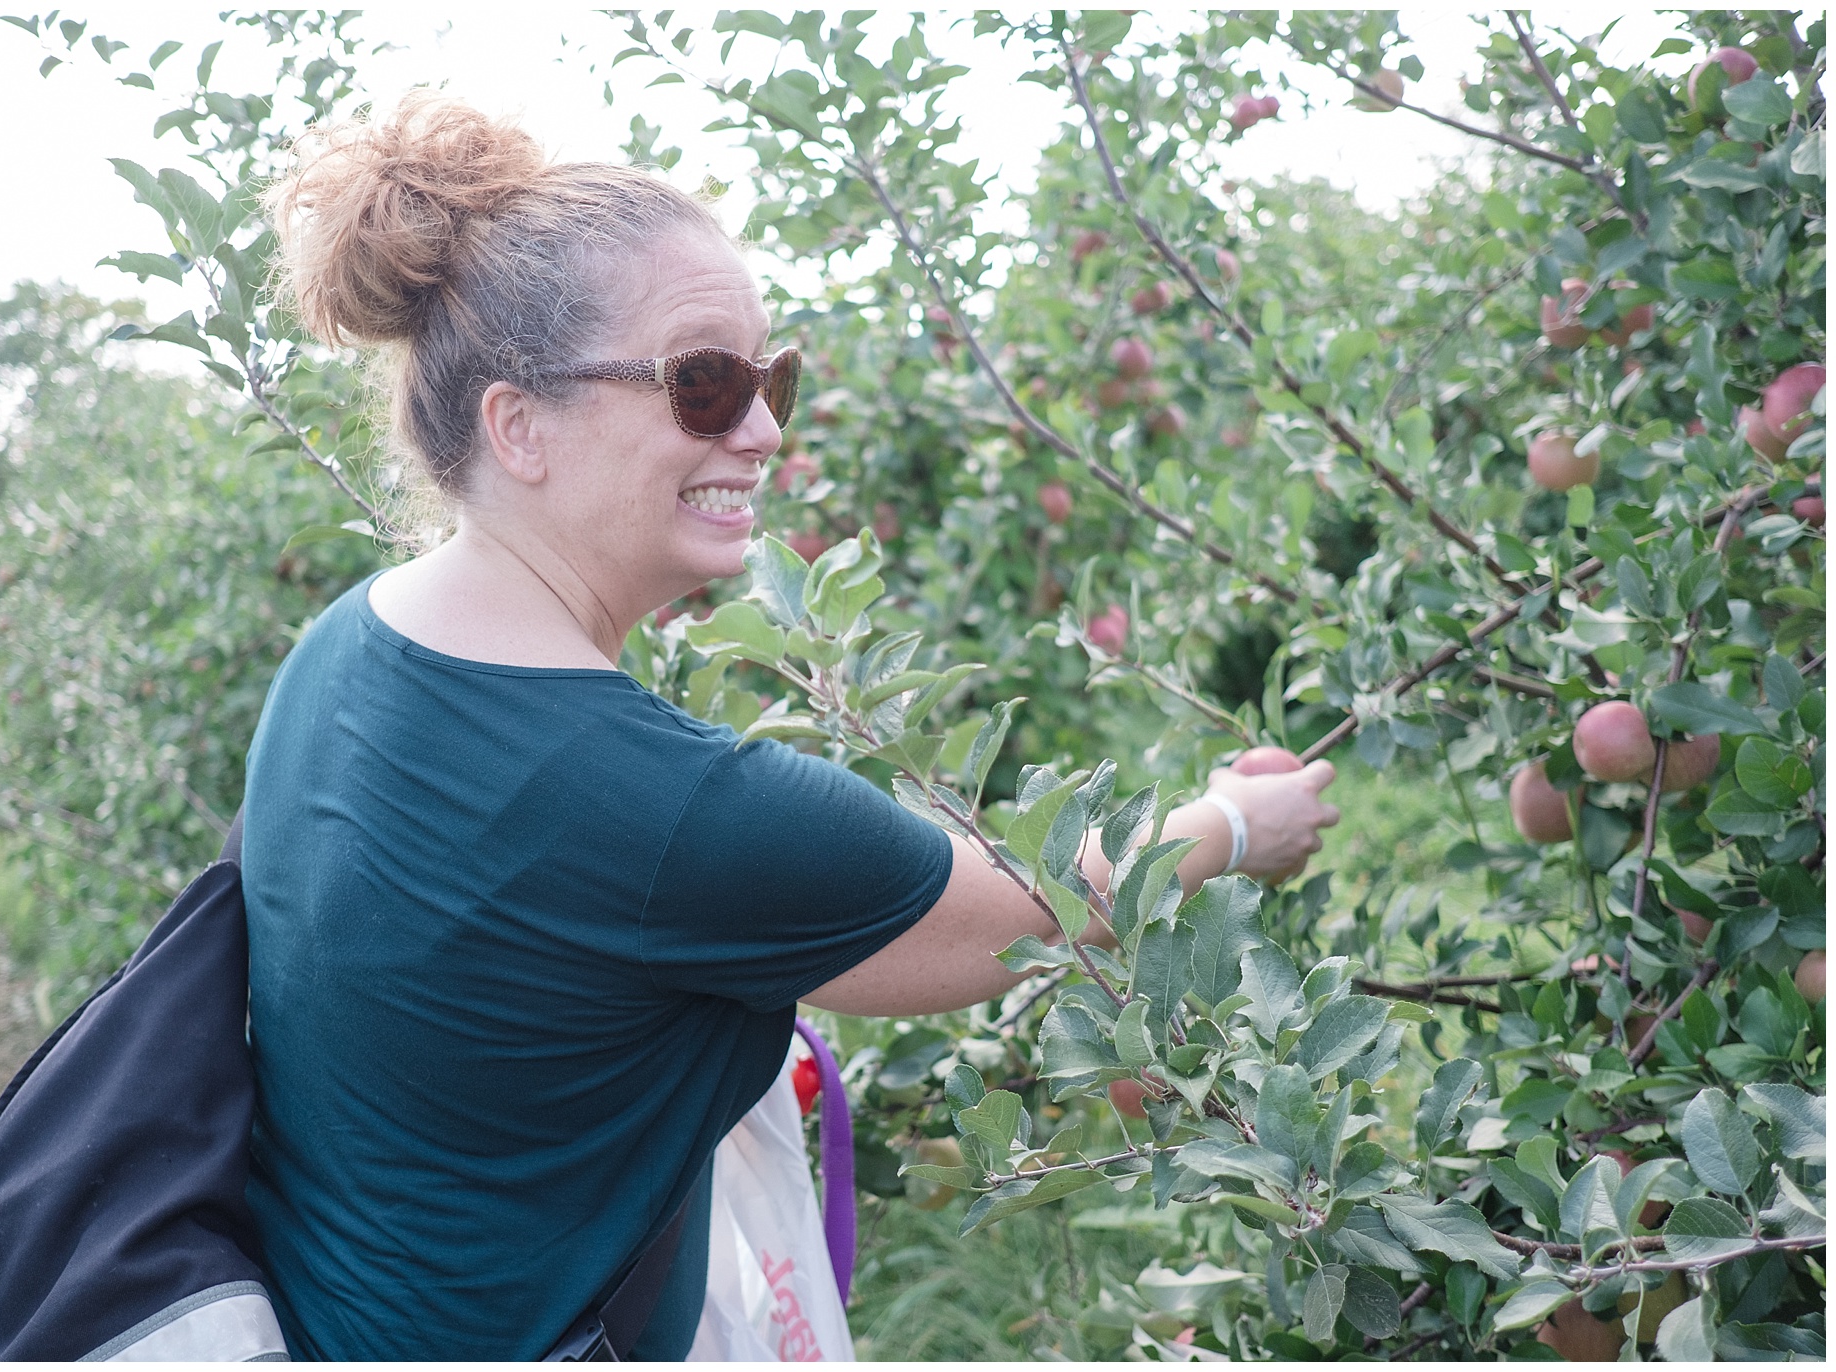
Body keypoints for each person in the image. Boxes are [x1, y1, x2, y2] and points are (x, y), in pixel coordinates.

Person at [241, 90, 1340, 1360]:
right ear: (518, 425)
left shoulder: (344, 647)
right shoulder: (663, 807)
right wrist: (1235, 821)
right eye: (701, 382)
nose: (762, 428)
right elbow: (1035, 911)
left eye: (774, 376)